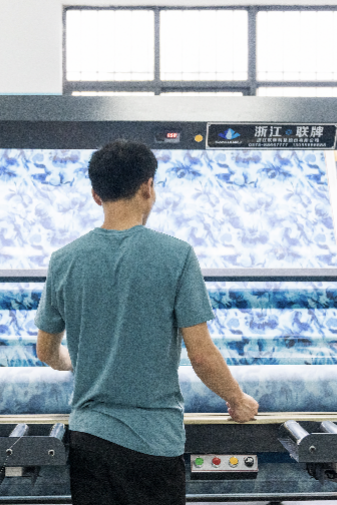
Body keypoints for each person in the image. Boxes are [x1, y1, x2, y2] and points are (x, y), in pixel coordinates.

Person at [35, 139, 259, 505]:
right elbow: (201, 355)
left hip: (90, 441)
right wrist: (236, 399)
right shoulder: (176, 256)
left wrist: (75, 361)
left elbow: (46, 352)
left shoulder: (64, 260)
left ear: (96, 195)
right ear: (148, 187)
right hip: (154, 444)